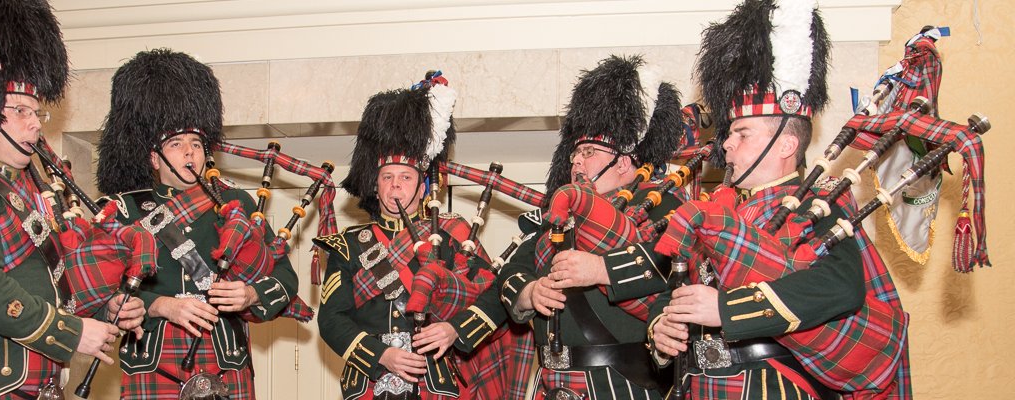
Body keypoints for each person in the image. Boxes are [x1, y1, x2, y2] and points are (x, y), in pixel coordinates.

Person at [647, 0, 911, 398]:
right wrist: (661, 328)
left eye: (742, 134)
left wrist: (726, 309)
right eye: (728, 134)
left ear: (786, 143)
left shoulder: (818, 201)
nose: (727, 147)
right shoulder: (718, 209)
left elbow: (841, 286)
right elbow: (674, 291)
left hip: (775, 386)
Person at [0, 0, 142, 398]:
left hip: (35, 379)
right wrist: (71, 334)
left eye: (37, 112)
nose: (35, 122)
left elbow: (48, 283)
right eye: (20, 109)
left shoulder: (26, 184)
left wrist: (103, 309)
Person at [95, 49, 308, 400]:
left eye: (196, 143)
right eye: (176, 144)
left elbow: (285, 277)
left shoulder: (236, 202)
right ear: (153, 156)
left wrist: (250, 294)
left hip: (225, 358)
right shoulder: (124, 210)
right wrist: (160, 305)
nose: (190, 152)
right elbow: (99, 296)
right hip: (154, 360)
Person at [315, 73, 520, 399]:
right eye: (387, 177)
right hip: (369, 383)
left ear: (424, 188)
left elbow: (496, 295)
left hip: (435, 382)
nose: (395, 184)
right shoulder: (350, 244)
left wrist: (455, 329)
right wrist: (381, 355)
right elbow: (331, 319)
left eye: (406, 176)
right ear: (376, 185)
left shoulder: (453, 235)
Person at [498, 55, 685, 400]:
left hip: (622, 383)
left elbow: (670, 268)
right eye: (575, 154)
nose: (577, 161)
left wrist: (600, 269)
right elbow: (511, 272)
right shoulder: (559, 214)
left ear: (625, 161)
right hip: (551, 384)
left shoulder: (663, 204)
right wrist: (530, 292)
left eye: (589, 152)